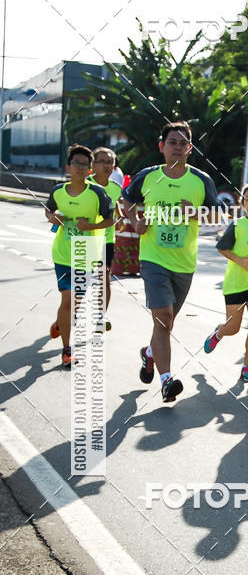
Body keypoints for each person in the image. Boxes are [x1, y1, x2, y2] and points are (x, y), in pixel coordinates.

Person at [121, 121, 218, 403]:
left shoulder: (201, 181)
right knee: (162, 318)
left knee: (166, 323)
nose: (177, 147)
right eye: (172, 142)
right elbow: (126, 200)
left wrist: (196, 212)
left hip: (184, 263)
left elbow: (218, 216)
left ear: (190, 148)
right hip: (153, 258)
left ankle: (149, 353)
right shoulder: (148, 177)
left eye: (183, 143)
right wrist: (135, 221)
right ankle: (166, 381)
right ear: (162, 146)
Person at [45, 144, 114, 367]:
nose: (80, 168)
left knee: (75, 302)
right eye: (76, 163)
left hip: (86, 255)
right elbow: (48, 210)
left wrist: (90, 226)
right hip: (63, 254)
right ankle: (67, 350)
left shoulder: (98, 193)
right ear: (68, 166)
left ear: (90, 170)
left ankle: (60, 322)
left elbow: (111, 220)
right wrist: (52, 217)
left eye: (85, 165)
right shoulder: (57, 191)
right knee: (68, 298)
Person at [203, 181, 248, 382]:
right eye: (246, 199)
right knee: (233, 327)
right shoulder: (238, 225)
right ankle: (218, 333)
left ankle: (246, 367)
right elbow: (222, 247)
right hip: (235, 283)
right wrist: (240, 260)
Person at [90, 147, 122, 332]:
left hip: (106, 239)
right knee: (80, 280)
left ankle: (100, 316)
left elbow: (115, 203)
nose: (107, 165)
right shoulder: (85, 184)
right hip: (85, 238)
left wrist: (119, 217)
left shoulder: (116, 188)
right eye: (102, 161)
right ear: (93, 165)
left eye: (110, 162)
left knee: (104, 278)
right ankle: (68, 313)